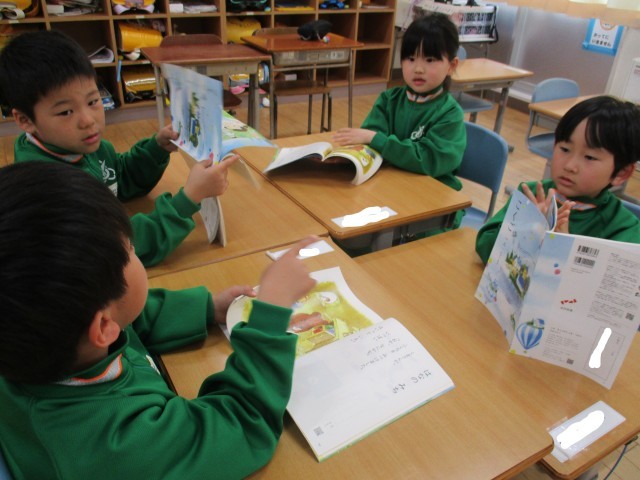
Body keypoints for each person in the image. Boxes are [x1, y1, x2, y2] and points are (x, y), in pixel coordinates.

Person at [0, 161, 318, 479]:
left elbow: (130, 316)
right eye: (131, 249)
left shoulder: (52, 341)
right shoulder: (122, 446)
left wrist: (208, 308)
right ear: (102, 327)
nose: (136, 251)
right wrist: (271, 312)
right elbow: (242, 423)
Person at [0, 29, 235, 267]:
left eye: (93, 101)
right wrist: (189, 198)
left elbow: (119, 178)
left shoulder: (82, 146)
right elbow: (117, 247)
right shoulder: (49, 190)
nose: (88, 120)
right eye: (66, 112)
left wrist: (157, 148)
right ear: (25, 120)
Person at [332, 13, 466, 228]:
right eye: (410, 59)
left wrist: (377, 140)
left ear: (451, 65)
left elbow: (428, 160)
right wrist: (349, 157)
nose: (418, 68)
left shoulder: (450, 114)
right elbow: (369, 145)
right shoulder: (389, 100)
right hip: (390, 189)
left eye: (430, 60)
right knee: (346, 224)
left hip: (435, 201)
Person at [476, 95, 640, 264]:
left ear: (621, 173)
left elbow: (613, 279)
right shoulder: (531, 194)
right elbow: (484, 246)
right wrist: (524, 226)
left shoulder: (623, 227)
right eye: (565, 149)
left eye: (590, 157)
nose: (570, 166)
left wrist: (563, 247)